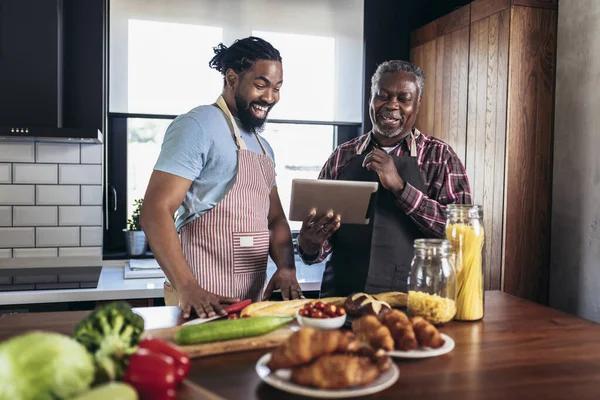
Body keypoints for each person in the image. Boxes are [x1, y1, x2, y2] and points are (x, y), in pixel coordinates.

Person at [140, 36, 302, 319]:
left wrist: (286, 268)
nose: (270, 97)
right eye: (261, 84)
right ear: (231, 78)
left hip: (250, 305)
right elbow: (155, 210)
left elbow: (275, 219)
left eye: (277, 88)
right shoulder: (198, 125)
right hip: (200, 300)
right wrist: (188, 287)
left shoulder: (263, 146)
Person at [296, 60, 472, 297]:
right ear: (371, 97)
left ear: (417, 103)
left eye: (404, 99)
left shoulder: (440, 156)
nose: (392, 106)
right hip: (341, 300)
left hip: (414, 300)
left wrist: (401, 188)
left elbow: (461, 233)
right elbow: (324, 238)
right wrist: (310, 247)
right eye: (383, 95)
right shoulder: (342, 156)